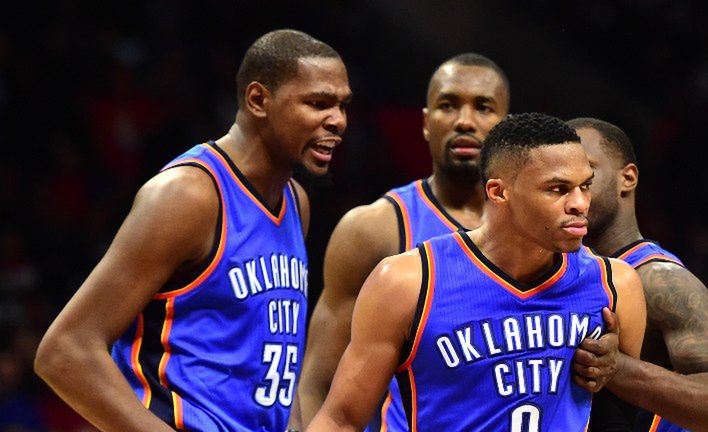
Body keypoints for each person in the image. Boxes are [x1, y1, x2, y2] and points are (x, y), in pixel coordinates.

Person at [33, 29, 352, 432]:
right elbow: (65, 351)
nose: (338, 121)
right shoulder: (189, 196)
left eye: (343, 106)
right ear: (258, 100)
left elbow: (275, 363)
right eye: (318, 104)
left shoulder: (295, 202)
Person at [306, 113, 647, 431]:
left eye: (585, 186)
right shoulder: (407, 282)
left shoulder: (616, 284)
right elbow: (341, 419)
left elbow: (621, 419)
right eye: (557, 189)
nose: (580, 204)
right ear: (499, 192)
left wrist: (617, 370)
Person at [296, 53, 510, 430]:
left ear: (506, 127)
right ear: (426, 123)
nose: (465, 121)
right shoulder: (374, 229)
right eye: (448, 105)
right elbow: (317, 383)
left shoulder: (539, 231)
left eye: (483, 107)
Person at [568, 117, 708, 432]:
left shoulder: (659, 280)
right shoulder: (557, 274)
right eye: (560, 178)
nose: (573, 189)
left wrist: (619, 369)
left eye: (586, 172)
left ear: (627, 178)